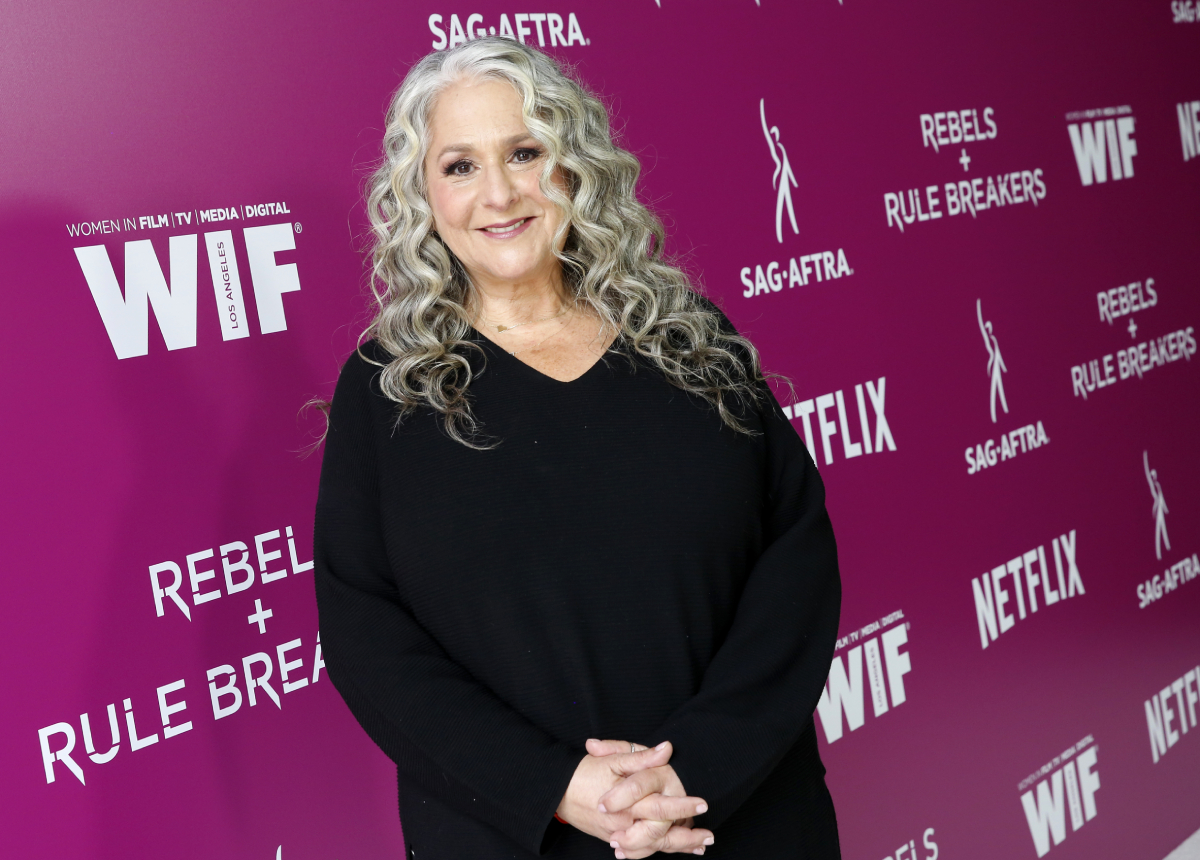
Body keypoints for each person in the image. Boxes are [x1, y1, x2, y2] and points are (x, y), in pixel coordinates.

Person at [314, 36, 842, 860]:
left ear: (574, 163)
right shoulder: (386, 389)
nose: (498, 193)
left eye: (525, 152)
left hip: (737, 821)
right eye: (458, 166)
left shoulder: (690, 340)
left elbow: (795, 558)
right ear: (420, 194)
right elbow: (367, 636)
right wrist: (554, 787)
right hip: (512, 837)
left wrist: (691, 772)